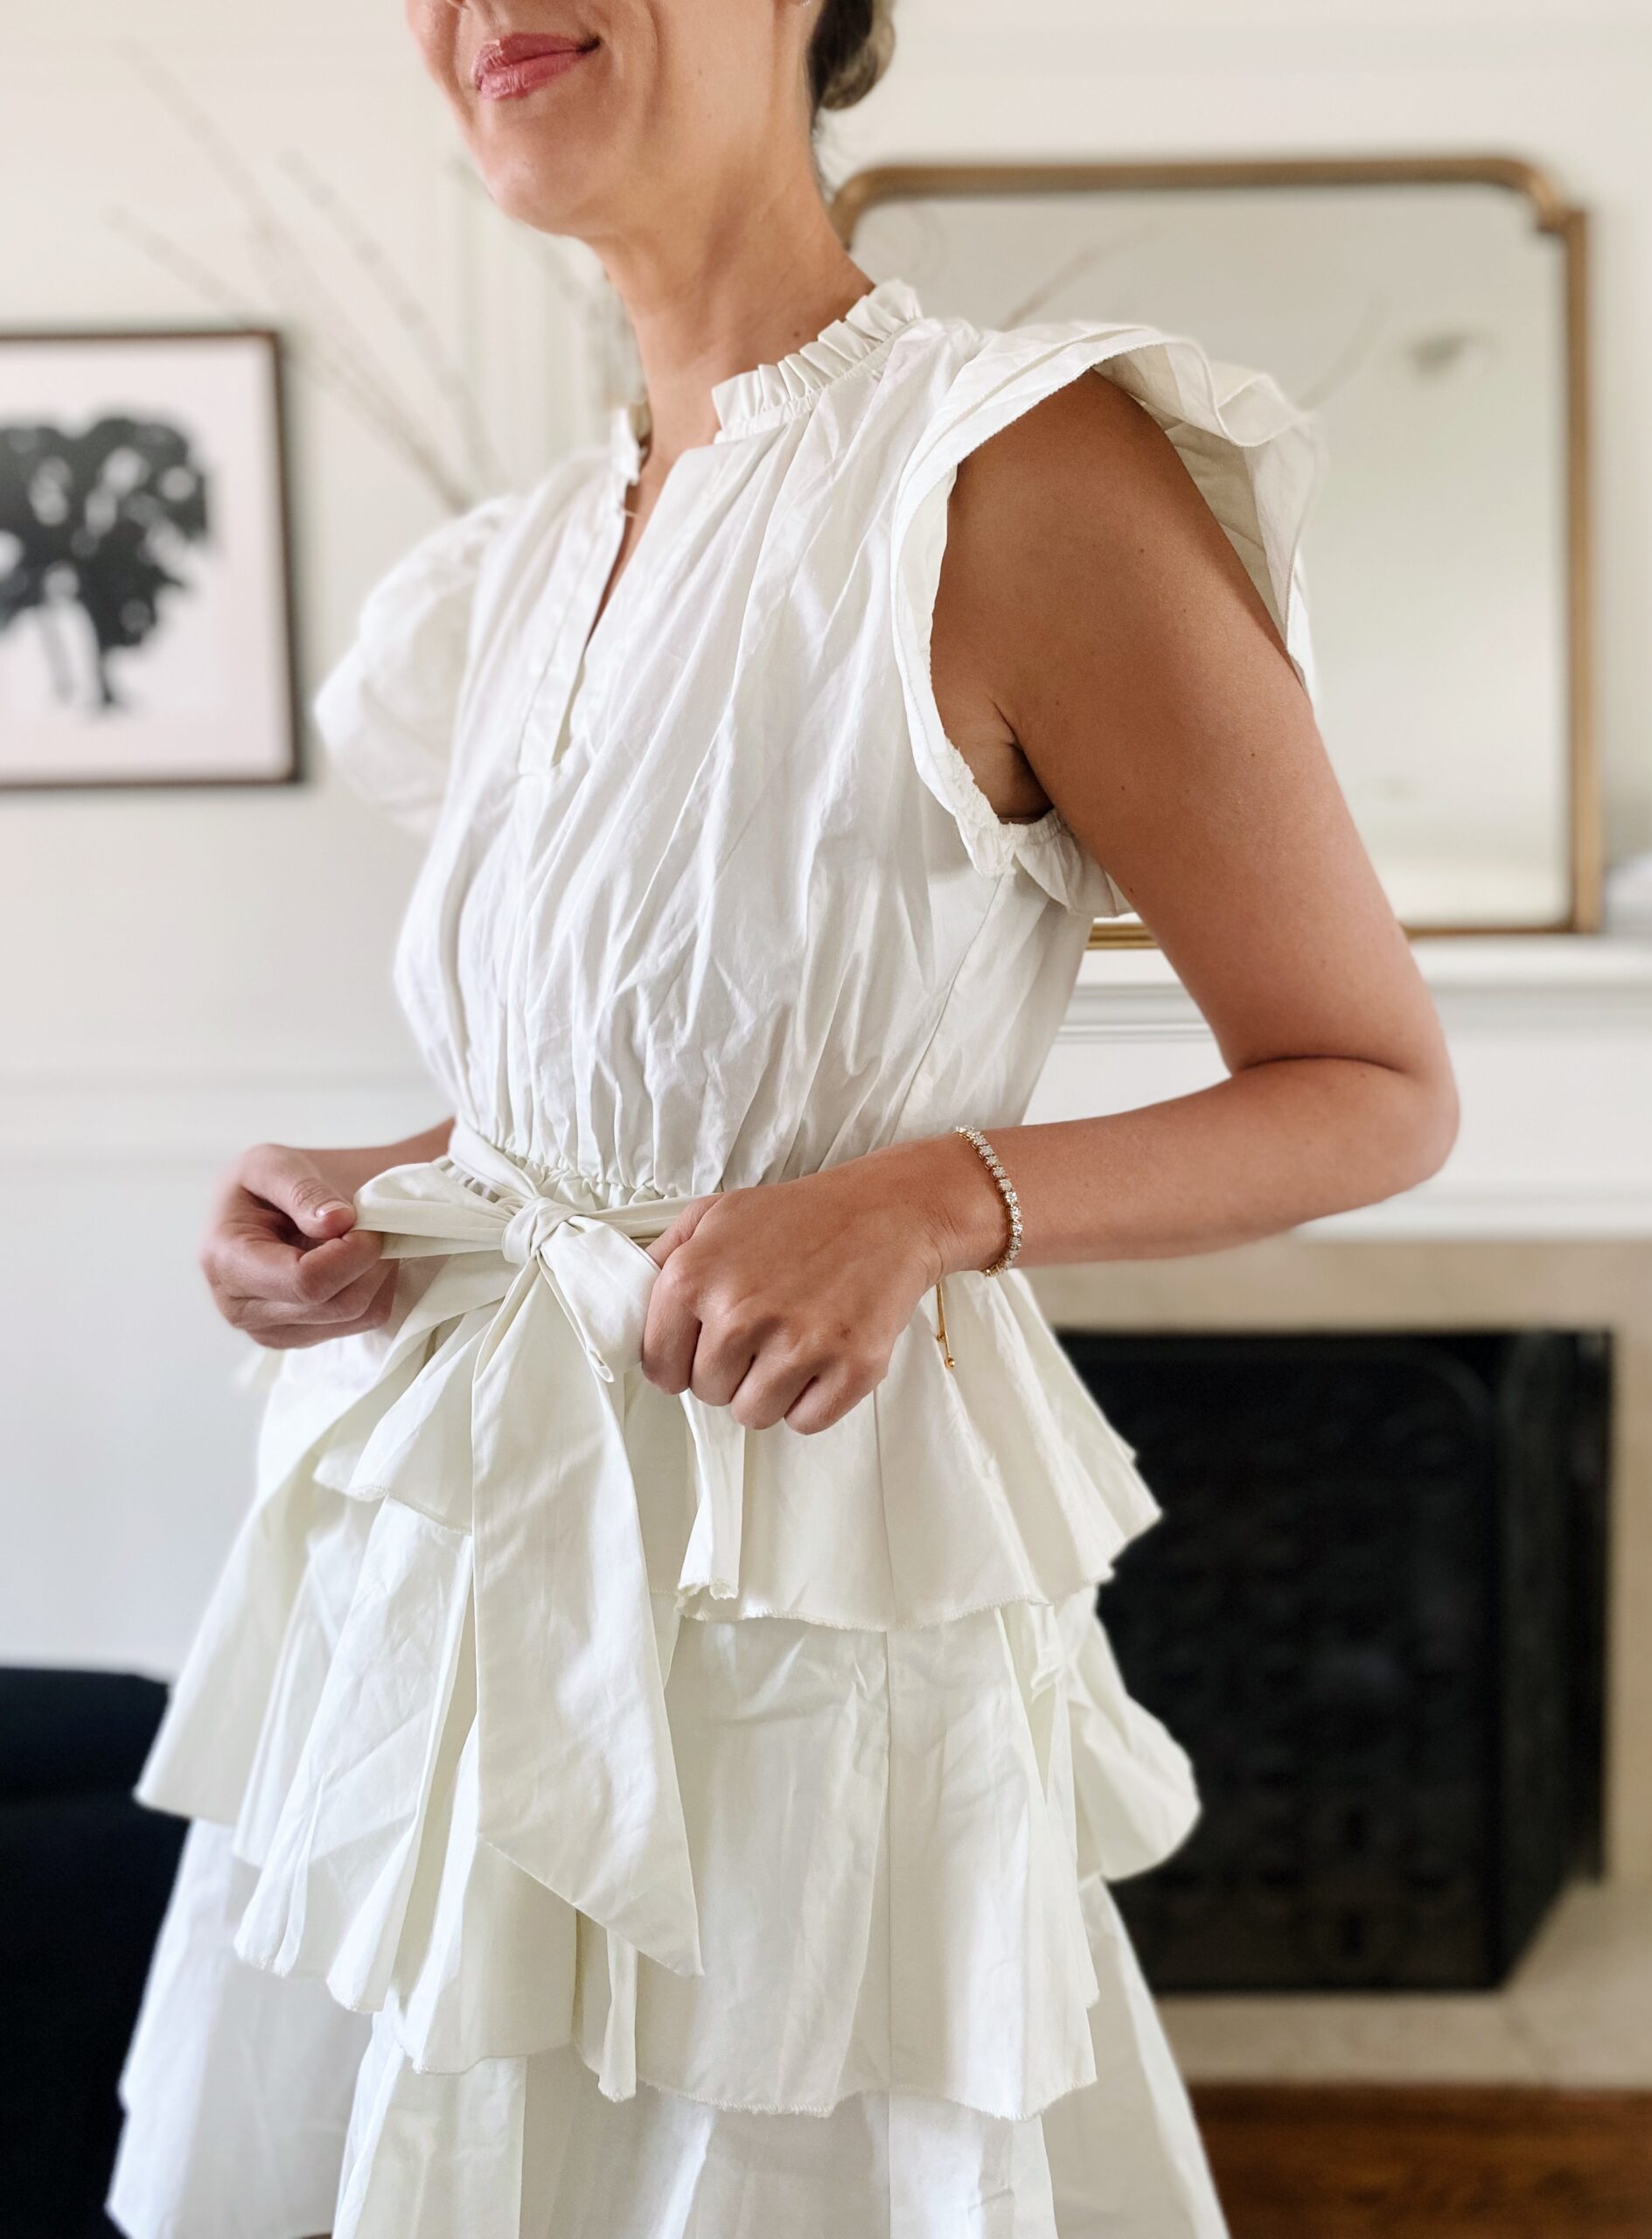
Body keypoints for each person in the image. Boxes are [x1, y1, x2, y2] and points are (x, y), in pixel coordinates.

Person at [108, 3, 1460, 2234]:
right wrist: (383, 1184)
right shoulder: (523, 555)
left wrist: (939, 1197)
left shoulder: (1013, 470)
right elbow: (627, 1078)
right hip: (434, 1612)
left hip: (790, 1632)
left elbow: (1377, 1087)